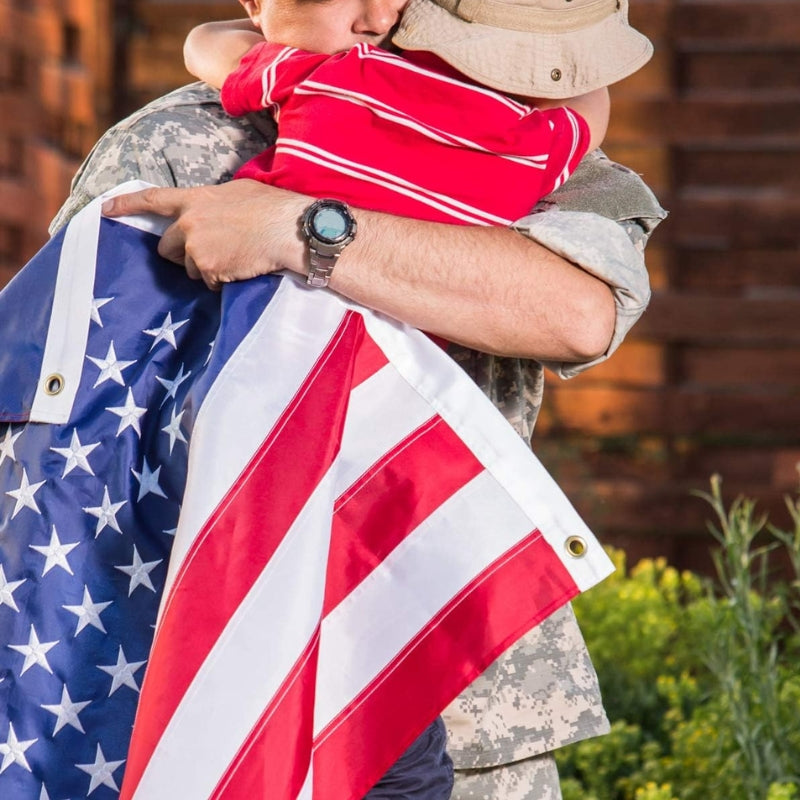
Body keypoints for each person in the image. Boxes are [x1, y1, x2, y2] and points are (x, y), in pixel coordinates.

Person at [51, 0, 667, 795]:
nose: (377, 18)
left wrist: (300, 228)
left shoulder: (546, 154)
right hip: (193, 677)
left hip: (452, 679)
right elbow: (70, 411)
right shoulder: (179, 142)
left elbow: (576, 314)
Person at [181, 3, 614, 227]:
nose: (381, 18)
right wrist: (564, 62)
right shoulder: (529, 146)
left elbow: (204, 43)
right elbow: (588, 107)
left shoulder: (328, 80)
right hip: (412, 380)